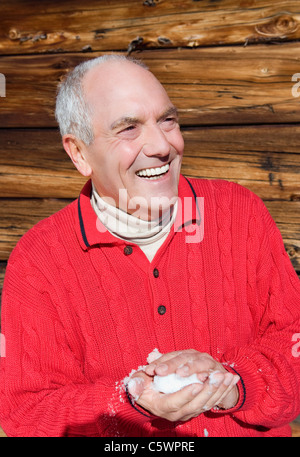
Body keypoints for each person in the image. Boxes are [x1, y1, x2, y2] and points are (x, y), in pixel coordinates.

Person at [0, 54, 299, 437]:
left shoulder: (239, 214)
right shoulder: (40, 260)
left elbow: (294, 339)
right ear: (79, 153)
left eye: (167, 120)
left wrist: (232, 383)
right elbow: (27, 412)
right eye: (128, 128)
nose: (162, 145)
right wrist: (130, 399)